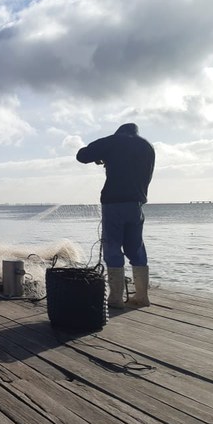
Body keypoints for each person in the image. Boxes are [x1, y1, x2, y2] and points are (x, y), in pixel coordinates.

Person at [77, 123, 155, 308]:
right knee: (136, 248)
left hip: (114, 203)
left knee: (112, 247)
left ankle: (115, 298)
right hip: (136, 205)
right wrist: (107, 157)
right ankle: (142, 296)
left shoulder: (113, 141)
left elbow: (82, 155)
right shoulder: (147, 146)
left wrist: (102, 155)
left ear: (119, 132)